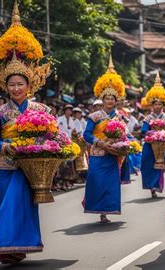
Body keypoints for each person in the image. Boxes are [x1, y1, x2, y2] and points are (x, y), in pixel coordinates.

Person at [0, 2, 52, 263]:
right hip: (6, 165)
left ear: (29, 85)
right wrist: (4, 146)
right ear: (5, 86)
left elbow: (53, 136)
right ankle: (5, 247)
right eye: (12, 84)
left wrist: (44, 148)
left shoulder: (41, 109)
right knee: (8, 208)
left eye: (21, 83)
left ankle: (19, 247)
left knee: (25, 209)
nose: (16, 88)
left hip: (31, 166)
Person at [83, 54, 126, 223]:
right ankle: (95, 206)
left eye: (112, 98)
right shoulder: (94, 116)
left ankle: (106, 211)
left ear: (116, 101)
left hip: (113, 154)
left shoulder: (120, 118)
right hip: (97, 153)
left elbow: (124, 134)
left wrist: (122, 144)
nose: (109, 100)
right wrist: (99, 142)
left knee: (110, 184)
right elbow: (86, 134)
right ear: (102, 99)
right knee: (96, 182)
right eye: (107, 98)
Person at [140, 72, 165, 198]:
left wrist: (163, 134)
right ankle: (150, 186)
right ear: (152, 105)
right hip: (149, 145)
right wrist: (151, 133)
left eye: (159, 104)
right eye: (155, 104)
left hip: (162, 145)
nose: (157, 106)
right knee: (146, 164)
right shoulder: (148, 117)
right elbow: (143, 130)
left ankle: (156, 185)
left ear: (163, 105)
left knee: (159, 165)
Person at [57, 104, 80, 189]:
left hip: (69, 142)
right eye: (67, 110)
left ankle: (67, 181)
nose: (69, 111)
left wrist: (73, 133)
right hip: (61, 143)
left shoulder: (72, 120)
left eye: (70, 110)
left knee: (69, 163)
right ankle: (61, 181)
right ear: (64, 111)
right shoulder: (60, 119)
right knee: (62, 163)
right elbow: (57, 130)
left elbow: (74, 131)